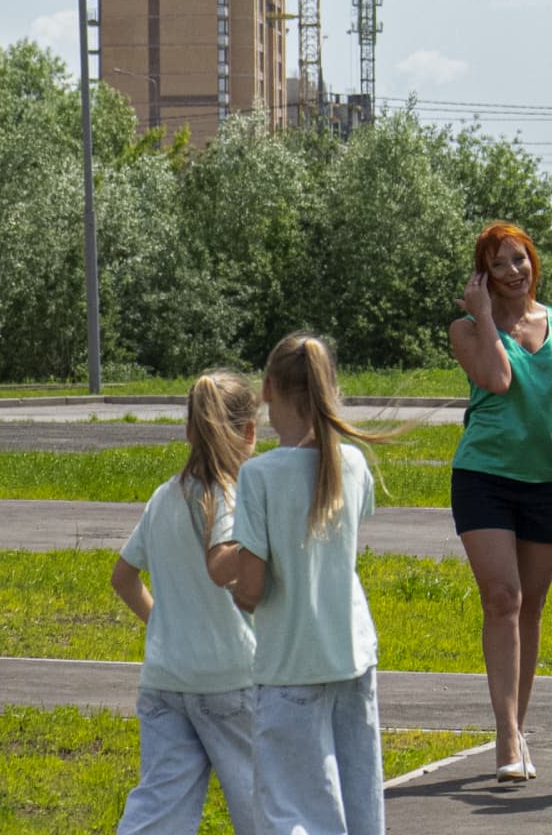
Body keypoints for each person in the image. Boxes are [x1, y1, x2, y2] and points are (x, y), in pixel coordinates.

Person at [448, 221, 552, 782]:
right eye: (499, 264)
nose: (514, 272)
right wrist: (483, 315)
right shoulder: (467, 329)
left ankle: (519, 724)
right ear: (483, 275)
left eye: (520, 259)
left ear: (532, 261)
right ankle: (505, 734)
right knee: (502, 598)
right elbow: (497, 378)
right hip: (484, 476)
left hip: (548, 477)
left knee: (532, 606)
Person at [208, 333, 388, 835]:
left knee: (292, 806)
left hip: (290, 662)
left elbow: (254, 584)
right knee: (360, 800)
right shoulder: (352, 463)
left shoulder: (259, 476)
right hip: (352, 651)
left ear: (268, 389)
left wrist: (233, 588)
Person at [112, 370, 262, 834]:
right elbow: (224, 561)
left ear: (188, 429)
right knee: (262, 805)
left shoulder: (163, 497)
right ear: (250, 432)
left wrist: (164, 624)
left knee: (158, 809)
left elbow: (123, 577)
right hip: (229, 678)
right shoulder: (232, 496)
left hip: (165, 678)